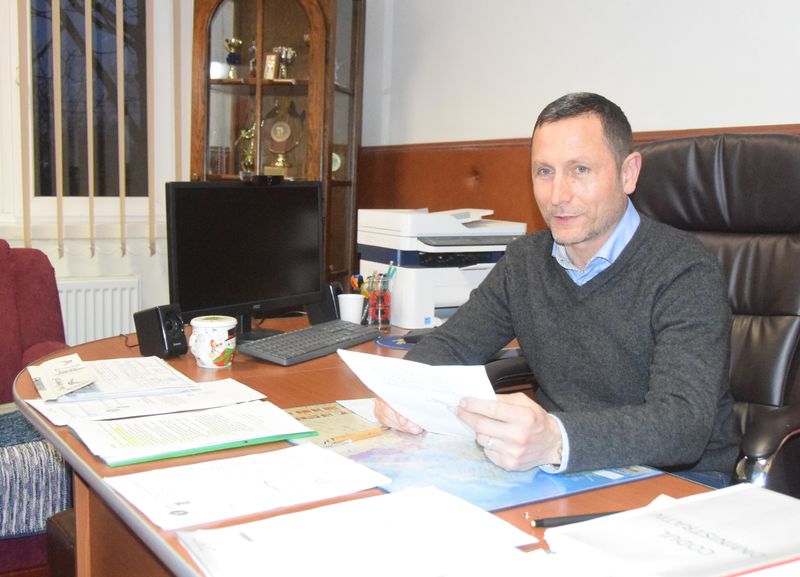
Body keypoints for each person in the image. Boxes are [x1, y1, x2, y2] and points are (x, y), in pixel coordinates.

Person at [375, 92, 740, 485]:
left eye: (580, 169)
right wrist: (403, 389)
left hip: (677, 481)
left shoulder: (685, 271)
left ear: (628, 173)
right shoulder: (525, 261)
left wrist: (555, 440)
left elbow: (682, 424)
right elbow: (453, 344)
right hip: (562, 470)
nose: (557, 196)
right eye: (544, 171)